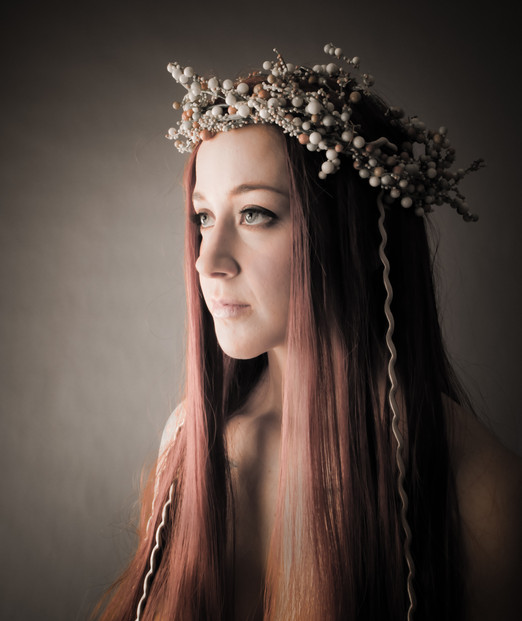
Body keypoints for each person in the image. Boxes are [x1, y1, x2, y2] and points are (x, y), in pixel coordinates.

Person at [95, 44, 522, 620]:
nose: (207, 261)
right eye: (203, 217)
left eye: (255, 214)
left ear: (353, 234)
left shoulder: (478, 491)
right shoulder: (189, 443)